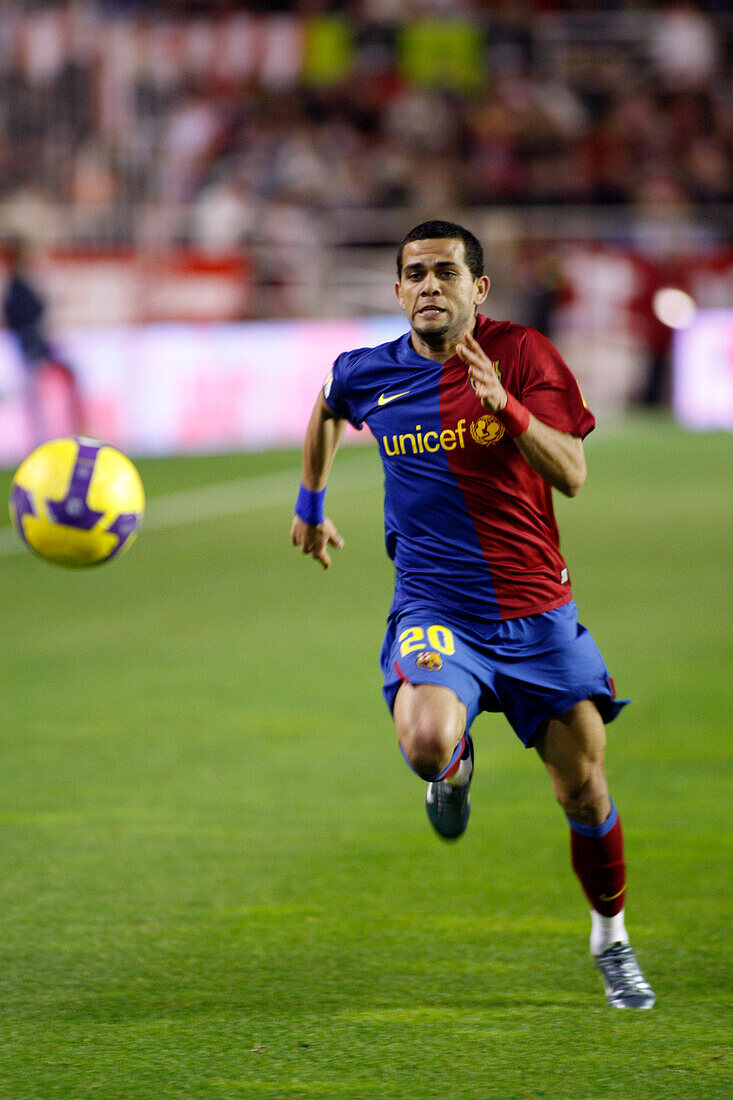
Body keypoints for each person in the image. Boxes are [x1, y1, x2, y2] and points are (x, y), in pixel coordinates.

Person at [290, 220, 655, 1010]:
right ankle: (451, 771)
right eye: (414, 274)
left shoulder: (523, 356)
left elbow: (575, 474)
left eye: (445, 273)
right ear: (397, 292)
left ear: (477, 289)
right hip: (434, 606)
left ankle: (611, 938)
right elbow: (325, 408)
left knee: (584, 792)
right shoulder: (367, 372)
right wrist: (309, 503)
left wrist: (510, 412)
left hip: (536, 614)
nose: (428, 286)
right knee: (424, 741)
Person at [2, 236, 84, 445]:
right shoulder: (15, 285)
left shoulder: (24, 281)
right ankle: (41, 436)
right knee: (34, 394)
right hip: (30, 345)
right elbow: (22, 313)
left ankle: (68, 428)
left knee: (53, 384)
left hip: (38, 343)